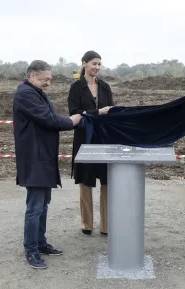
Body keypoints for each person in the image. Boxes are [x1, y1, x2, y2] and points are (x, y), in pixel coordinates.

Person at [13, 60, 82, 269]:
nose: (48, 83)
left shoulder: (38, 93)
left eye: (50, 80)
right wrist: (71, 121)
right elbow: (48, 118)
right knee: (34, 206)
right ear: (32, 76)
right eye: (45, 79)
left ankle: (41, 243)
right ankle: (31, 250)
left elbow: (50, 116)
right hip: (34, 158)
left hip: (43, 157)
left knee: (43, 204)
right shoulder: (25, 94)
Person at [68, 51, 114, 236]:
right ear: (84, 63)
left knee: (107, 181)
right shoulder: (76, 87)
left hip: (104, 138)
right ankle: (87, 224)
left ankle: (106, 226)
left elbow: (111, 111)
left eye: (99, 64)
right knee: (85, 183)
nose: (97, 67)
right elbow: (75, 112)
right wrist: (98, 113)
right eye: (94, 63)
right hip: (84, 139)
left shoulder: (105, 86)